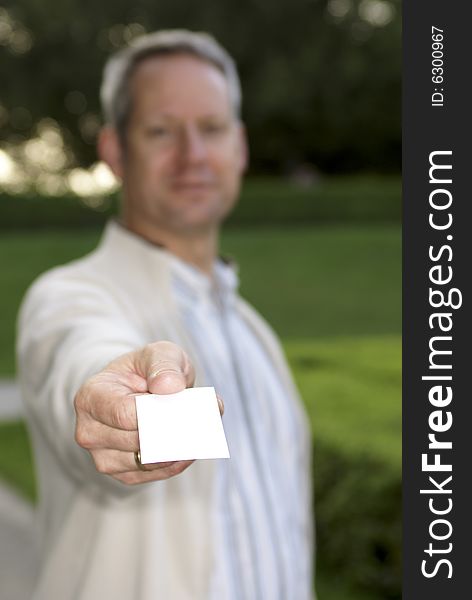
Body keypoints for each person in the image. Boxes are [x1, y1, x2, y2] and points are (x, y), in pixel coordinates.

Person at [17, 30, 314, 600]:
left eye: (212, 128)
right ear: (114, 151)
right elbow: (80, 354)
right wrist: (112, 407)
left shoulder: (255, 332)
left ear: (241, 147)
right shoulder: (69, 296)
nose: (193, 154)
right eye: (160, 131)